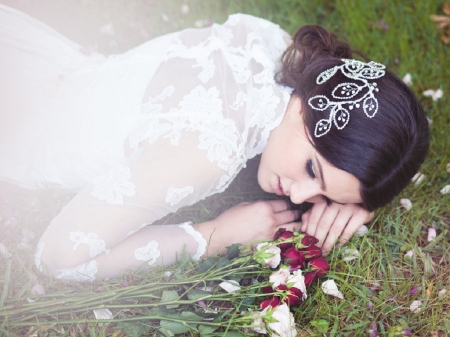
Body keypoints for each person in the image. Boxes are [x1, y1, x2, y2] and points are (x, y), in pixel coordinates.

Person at [0, 4, 428, 281]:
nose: (299, 195)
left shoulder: (272, 46)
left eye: (321, 196)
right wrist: (211, 235)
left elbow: (365, 124)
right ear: (305, 109)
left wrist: (361, 192)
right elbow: (58, 257)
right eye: (312, 170)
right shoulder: (209, 150)